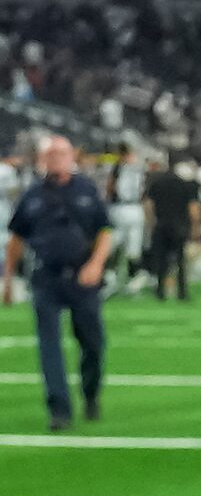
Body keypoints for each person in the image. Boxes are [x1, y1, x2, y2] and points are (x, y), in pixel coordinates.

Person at [4, 134, 113, 431]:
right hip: (46, 277)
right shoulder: (32, 195)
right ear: (42, 160)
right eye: (51, 155)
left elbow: (104, 230)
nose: (56, 160)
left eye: (61, 154)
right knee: (48, 345)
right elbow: (16, 238)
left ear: (71, 157)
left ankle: (90, 394)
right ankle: (59, 409)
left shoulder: (86, 191)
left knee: (93, 343)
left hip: (83, 276)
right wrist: (8, 279)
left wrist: (95, 264)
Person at [144, 148, 201, 301]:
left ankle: (160, 291)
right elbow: (193, 208)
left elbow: (148, 205)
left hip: (161, 224)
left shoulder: (157, 183)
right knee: (180, 260)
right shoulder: (185, 184)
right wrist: (196, 227)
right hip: (180, 225)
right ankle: (182, 292)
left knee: (161, 260)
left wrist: (151, 223)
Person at [107, 146, 148, 294]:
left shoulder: (118, 168)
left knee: (115, 244)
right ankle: (133, 276)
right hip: (135, 208)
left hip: (121, 208)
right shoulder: (139, 168)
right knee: (132, 247)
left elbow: (110, 187)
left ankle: (112, 277)